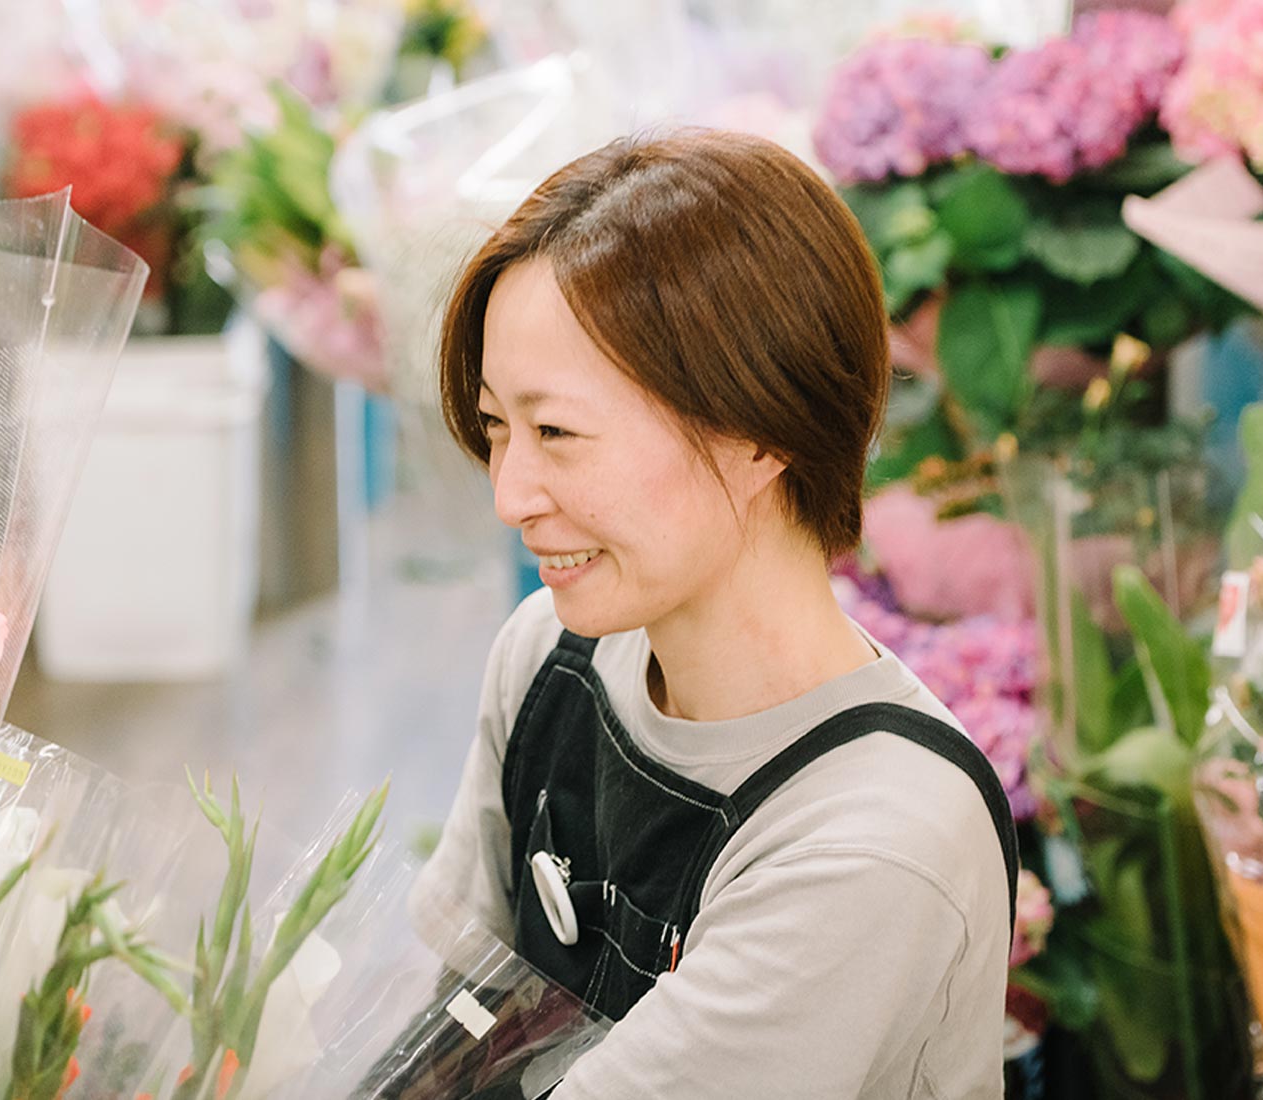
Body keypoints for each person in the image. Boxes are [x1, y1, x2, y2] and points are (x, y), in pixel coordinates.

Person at [409, 129, 1018, 1099]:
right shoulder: (549, 659)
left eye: (557, 431)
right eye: (496, 427)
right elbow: (451, 1020)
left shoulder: (871, 841)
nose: (510, 492)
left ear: (756, 433)